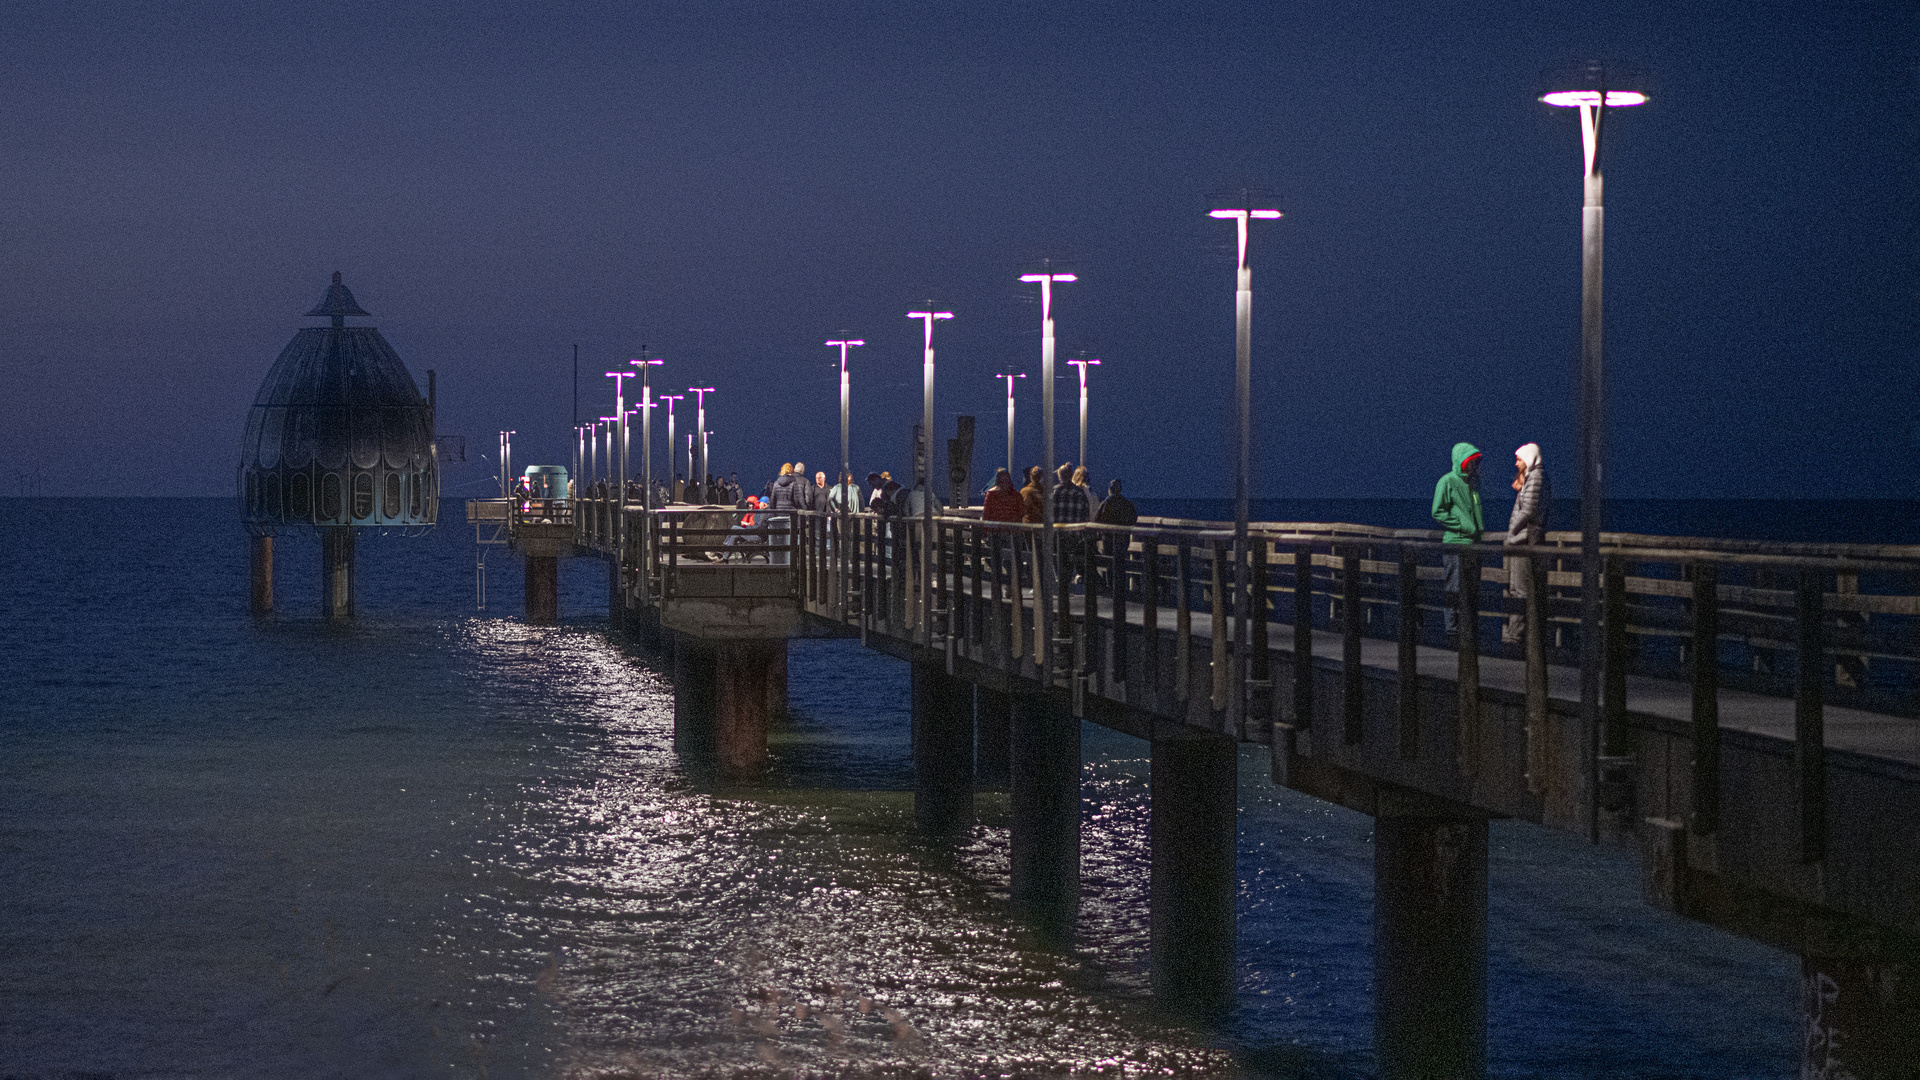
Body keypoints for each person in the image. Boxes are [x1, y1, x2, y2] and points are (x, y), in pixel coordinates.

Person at [1431, 441, 1484, 640]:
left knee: (1471, 586)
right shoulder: (1447, 481)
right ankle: (1452, 629)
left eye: (1476, 462)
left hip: (1474, 544)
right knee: (1454, 585)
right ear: (1462, 462)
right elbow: (1437, 512)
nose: (1475, 465)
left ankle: (1468, 625)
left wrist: (1477, 532)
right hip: (1456, 542)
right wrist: (1462, 525)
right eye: (1472, 461)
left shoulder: (1473, 483)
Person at [1502, 443, 1549, 644]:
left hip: (1524, 540)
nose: (1516, 463)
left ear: (1529, 459)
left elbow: (1528, 510)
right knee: (1516, 588)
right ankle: (1517, 633)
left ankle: (1516, 635)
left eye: (1519, 459)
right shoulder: (1531, 477)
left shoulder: (1537, 477)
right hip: (1520, 540)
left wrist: (1512, 530)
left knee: (1520, 589)